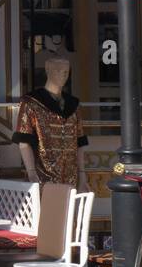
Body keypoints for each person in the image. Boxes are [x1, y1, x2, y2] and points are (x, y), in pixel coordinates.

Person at [12, 54, 88, 190]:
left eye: (66, 72)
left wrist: (82, 175)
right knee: (45, 210)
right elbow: (24, 141)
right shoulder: (31, 102)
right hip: (43, 175)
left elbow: (80, 141)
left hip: (71, 177)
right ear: (48, 71)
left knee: (70, 210)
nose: (62, 75)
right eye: (57, 71)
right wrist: (31, 173)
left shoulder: (73, 104)